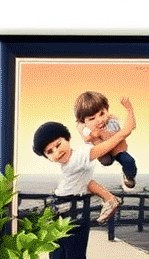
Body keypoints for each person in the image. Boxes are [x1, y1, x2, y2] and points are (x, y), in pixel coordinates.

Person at [32, 96, 137, 226]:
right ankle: (111, 200)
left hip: (69, 203)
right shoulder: (74, 158)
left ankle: (114, 196)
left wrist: (128, 112)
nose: (57, 152)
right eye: (49, 152)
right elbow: (87, 181)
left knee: (126, 162)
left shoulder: (80, 156)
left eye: (58, 145)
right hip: (64, 202)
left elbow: (116, 138)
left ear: (68, 139)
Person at [73, 90, 138, 192]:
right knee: (106, 161)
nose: (99, 120)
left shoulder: (112, 121)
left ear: (107, 109)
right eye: (92, 118)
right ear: (84, 121)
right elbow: (86, 136)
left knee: (129, 161)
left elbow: (130, 128)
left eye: (102, 114)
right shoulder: (84, 128)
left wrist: (129, 109)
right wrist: (92, 134)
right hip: (103, 152)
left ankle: (129, 176)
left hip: (117, 149)